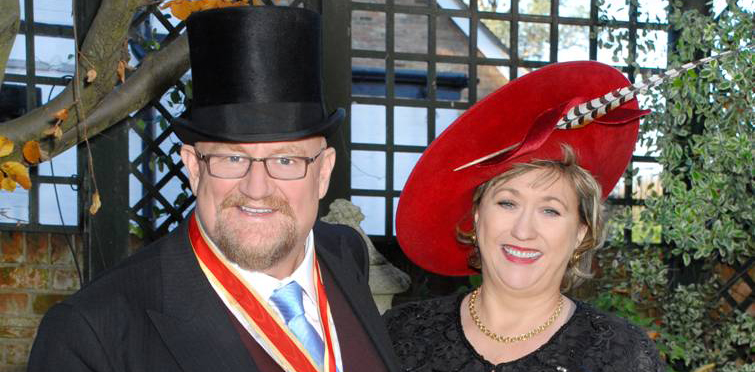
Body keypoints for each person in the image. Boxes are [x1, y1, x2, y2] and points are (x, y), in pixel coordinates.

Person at [28, 6, 399, 372]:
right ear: (193, 167)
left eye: (286, 160)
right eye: (232, 159)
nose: (257, 188)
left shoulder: (344, 254)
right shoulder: (91, 335)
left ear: (323, 173)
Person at [383, 61, 666, 371]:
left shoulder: (622, 356)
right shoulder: (400, 335)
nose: (523, 230)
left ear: (580, 233)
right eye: (507, 203)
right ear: (477, 218)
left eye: (550, 210)